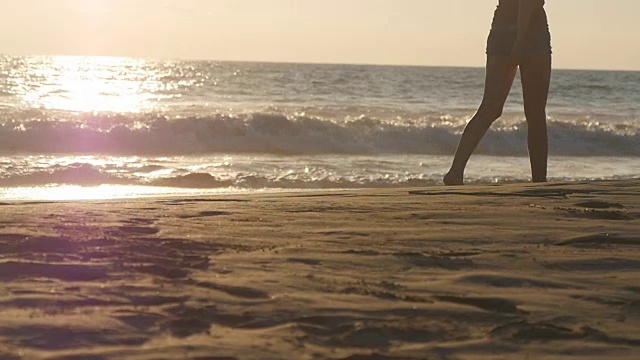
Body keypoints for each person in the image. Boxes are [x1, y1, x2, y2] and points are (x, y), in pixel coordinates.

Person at [444, 0, 552, 185]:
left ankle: (455, 171)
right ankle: (539, 181)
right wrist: (520, 41)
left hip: (503, 29)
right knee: (535, 114)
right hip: (531, 33)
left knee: (491, 107)